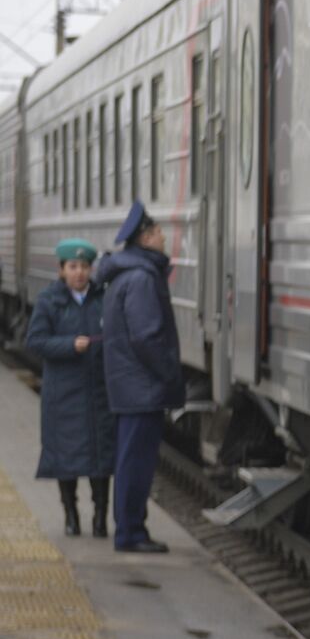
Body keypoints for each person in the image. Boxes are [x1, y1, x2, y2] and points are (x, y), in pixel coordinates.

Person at [93, 201, 184, 553]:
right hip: (141, 386)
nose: (164, 237)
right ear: (146, 238)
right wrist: (168, 374)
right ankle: (130, 532)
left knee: (132, 459)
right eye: (159, 232)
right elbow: (146, 336)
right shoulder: (142, 278)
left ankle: (131, 528)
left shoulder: (128, 274)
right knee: (136, 463)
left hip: (131, 384)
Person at [25, 239, 115, 537]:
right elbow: (35, 341)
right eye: (73, 267)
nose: (79, 273)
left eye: (85, 267)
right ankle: (71, 516)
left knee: (101, 460)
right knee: (66, 460)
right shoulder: (49, 301)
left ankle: (101, 518)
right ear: (61, 269)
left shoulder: (103, 299)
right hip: (63, 396)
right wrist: (68, 345)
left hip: (97, 392)